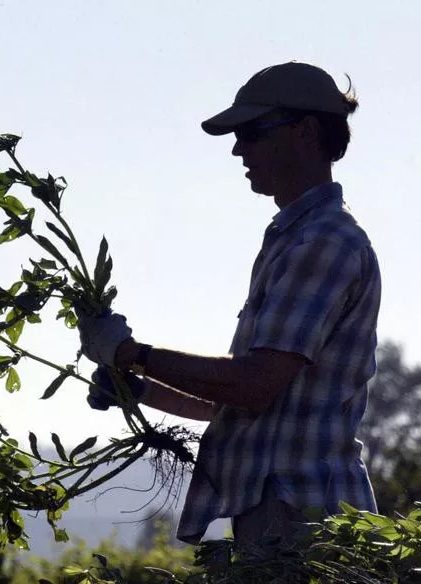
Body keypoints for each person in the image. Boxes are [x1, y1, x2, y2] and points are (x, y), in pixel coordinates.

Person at [76, 61, 381, 554]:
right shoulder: (295, 239)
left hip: (306, 524)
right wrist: (139, 386)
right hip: (286, 517)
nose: (239, 149)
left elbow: (254, 386)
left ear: (305, 132)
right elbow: (239, 404)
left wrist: (131, 353)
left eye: (253, 132)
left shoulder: (323, 243)